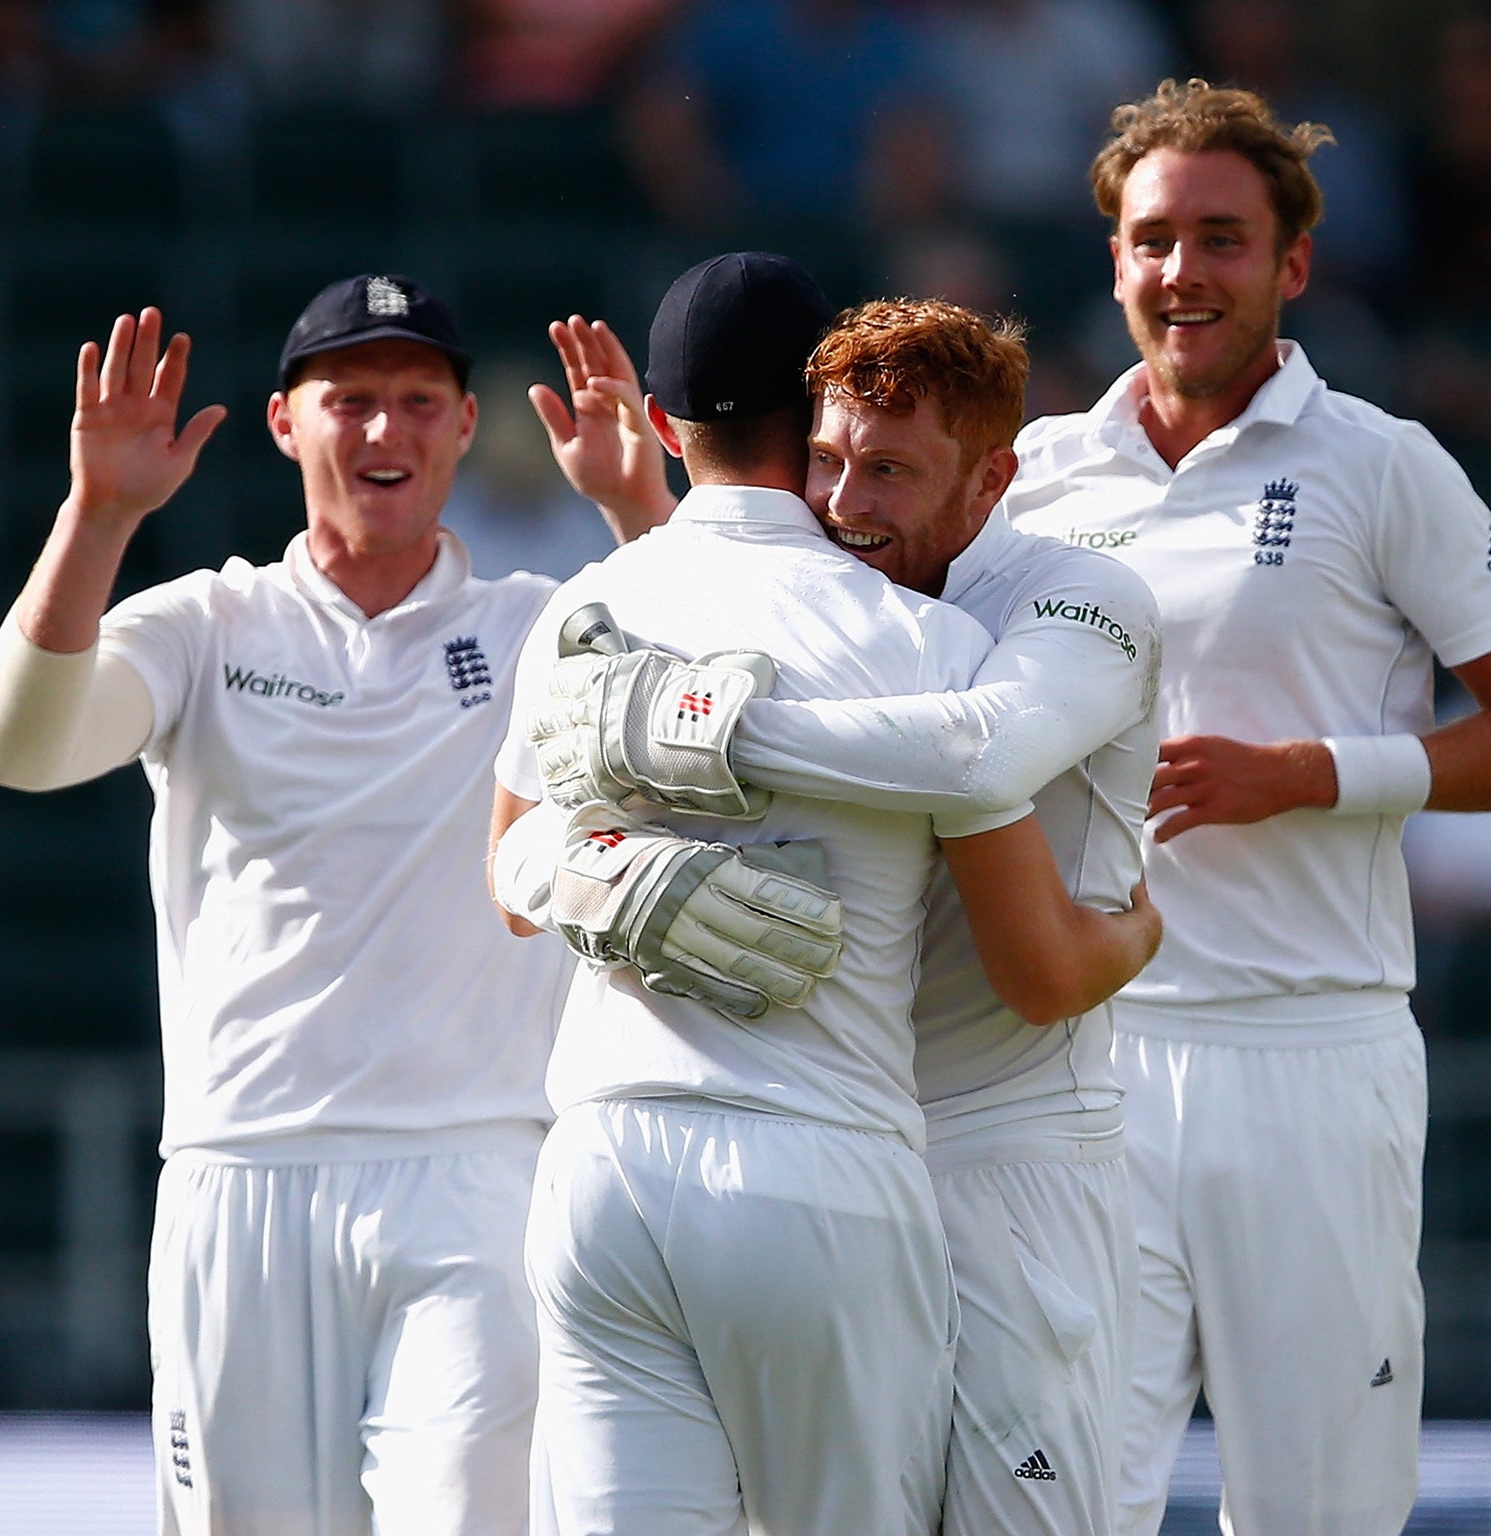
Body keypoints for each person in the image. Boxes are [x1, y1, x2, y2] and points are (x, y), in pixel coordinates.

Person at [999, 81, 1491, 1536]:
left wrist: (1313, 775)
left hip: (1315, 1052)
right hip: (1089, 1070)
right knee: (1060, 1505)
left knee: (1317, 1516)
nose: (1183, 274)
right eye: (1154, 239)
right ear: (1114, 259)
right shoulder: (1034, 475)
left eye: (1222, 239)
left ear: (1294, 266)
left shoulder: (1381, 463)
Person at [0, 277, 651, 1535]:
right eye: (350, 402)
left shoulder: (542, 629)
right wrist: (96, 514)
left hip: (482, 1177)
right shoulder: (205, 623)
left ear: (462, 428)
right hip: (242, 1173)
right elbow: (21, 746)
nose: (382, 432)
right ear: (287, 423)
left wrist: (636, 511)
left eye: (415, 402)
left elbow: (712, 713)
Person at [489, 254, 1160, 1536]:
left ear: (669, 427)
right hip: (833, 1163)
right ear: (812, 418)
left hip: (656, 1173)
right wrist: (635, 880)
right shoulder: (920, 638)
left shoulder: (587, 613)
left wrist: (666, 765)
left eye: (886, 469)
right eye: (836, 457)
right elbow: (1031, 957)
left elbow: (513, 866)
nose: (848, 498)